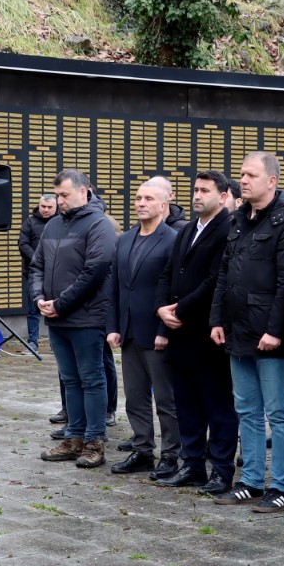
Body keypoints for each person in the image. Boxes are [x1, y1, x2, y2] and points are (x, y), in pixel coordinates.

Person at [210, 152, 284, 511]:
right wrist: (216, 319)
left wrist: (276, 330)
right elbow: (225, 274)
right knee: (246, 410)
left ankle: (281, 487)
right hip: (237, 331)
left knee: (278, 413)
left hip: (270, 337)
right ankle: (250, 480)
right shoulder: (237, 220)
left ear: (272, 181)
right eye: (241, 174)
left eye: (251, 175)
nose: (243, 180)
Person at [158, 171, 238, 494]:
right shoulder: (188, 229)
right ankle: (192, 465)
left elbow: (215, 279)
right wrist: (161, 307)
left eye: (204, 190)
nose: (197, 195)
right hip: (180, 333)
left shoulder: (227, 229)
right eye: (195, 189)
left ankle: (220, 470)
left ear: (222, 197)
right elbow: (168, 272)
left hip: (208, 332)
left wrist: (180, 309)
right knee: (187, 403)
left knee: (217, 405)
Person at [35, 169, 118, 469]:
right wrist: (39, 299)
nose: (59, 201)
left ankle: (94, 441)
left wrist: (62, 303)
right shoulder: (53, 225)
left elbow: (94, 271)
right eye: (57, 195)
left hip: (86, 318)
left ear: (84, 192)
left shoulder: (100, 225)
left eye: (65, 195)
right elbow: (37, 266)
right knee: (70, 379)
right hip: (57, 319)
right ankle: (74, 437)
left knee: (91, 379)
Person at [107, 177, 182, 478]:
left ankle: (171, 456)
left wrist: (165, 331)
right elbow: (115, 287)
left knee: (166, 400)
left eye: (149, 198)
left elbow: (175, 291)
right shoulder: (125, 238)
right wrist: (113, 326)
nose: (140, 203)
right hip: (128, 333)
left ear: (164, 204)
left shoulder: (173, 239)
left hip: (157, 333)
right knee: (136, 397)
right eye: (138, 198)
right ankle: (141, 450)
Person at [18, 193, 57, 352]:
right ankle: (32, 342)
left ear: (56, 207)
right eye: (43, 206)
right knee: (33, 310)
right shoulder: (30, 222)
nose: (46, 210)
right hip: (33, 274)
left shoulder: (61, 222)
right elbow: (23, 244)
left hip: (56, 273)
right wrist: (37, 259)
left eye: (49, 207)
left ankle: (56, 343)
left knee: (56, 309)